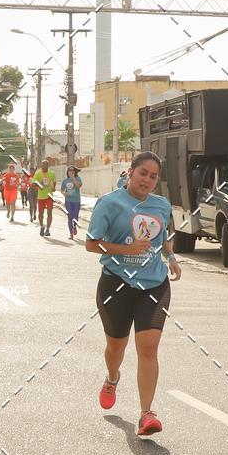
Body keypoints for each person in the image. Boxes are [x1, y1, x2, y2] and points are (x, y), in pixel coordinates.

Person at [86, 151, 182, 437]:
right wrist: (125, 250)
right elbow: (92, 244)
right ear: (130, 172)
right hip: (116, 284)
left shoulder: (162, 205)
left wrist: (172, 257)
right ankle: (112, 378)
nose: (148, 180)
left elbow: (162, 235)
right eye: (143, 173)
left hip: (153, 284)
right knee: (116, 347)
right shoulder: (109, 203)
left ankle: (146, 414)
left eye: (154, 176)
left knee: (148, 347)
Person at [33, 159, 56, 237]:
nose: (44, 166)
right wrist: (41, 183)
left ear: (48, 165)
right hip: (41, 196)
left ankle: (48, 229)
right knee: (40, 214)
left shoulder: (52, 173)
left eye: (46, 164)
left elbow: (54, 183)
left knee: (49, 212)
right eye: (43, 164)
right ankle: (42, 226)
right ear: (41, 165)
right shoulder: (38, 173)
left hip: (49, 196)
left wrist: (53, 187)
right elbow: (33, 184)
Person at [61, 165, 83, 239]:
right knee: (70, 216)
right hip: (68, 201)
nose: (71, 172)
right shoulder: (65, 181)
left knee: (75, 216)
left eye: (72, 170)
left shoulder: (78, 178)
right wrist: (64, 193)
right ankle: (71, 234)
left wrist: (73, 178)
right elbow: (62, 190)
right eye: (69, 170)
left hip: (76, 201)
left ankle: (74, 227)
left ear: (74, 172)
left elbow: (78, 186)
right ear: (67, 172)